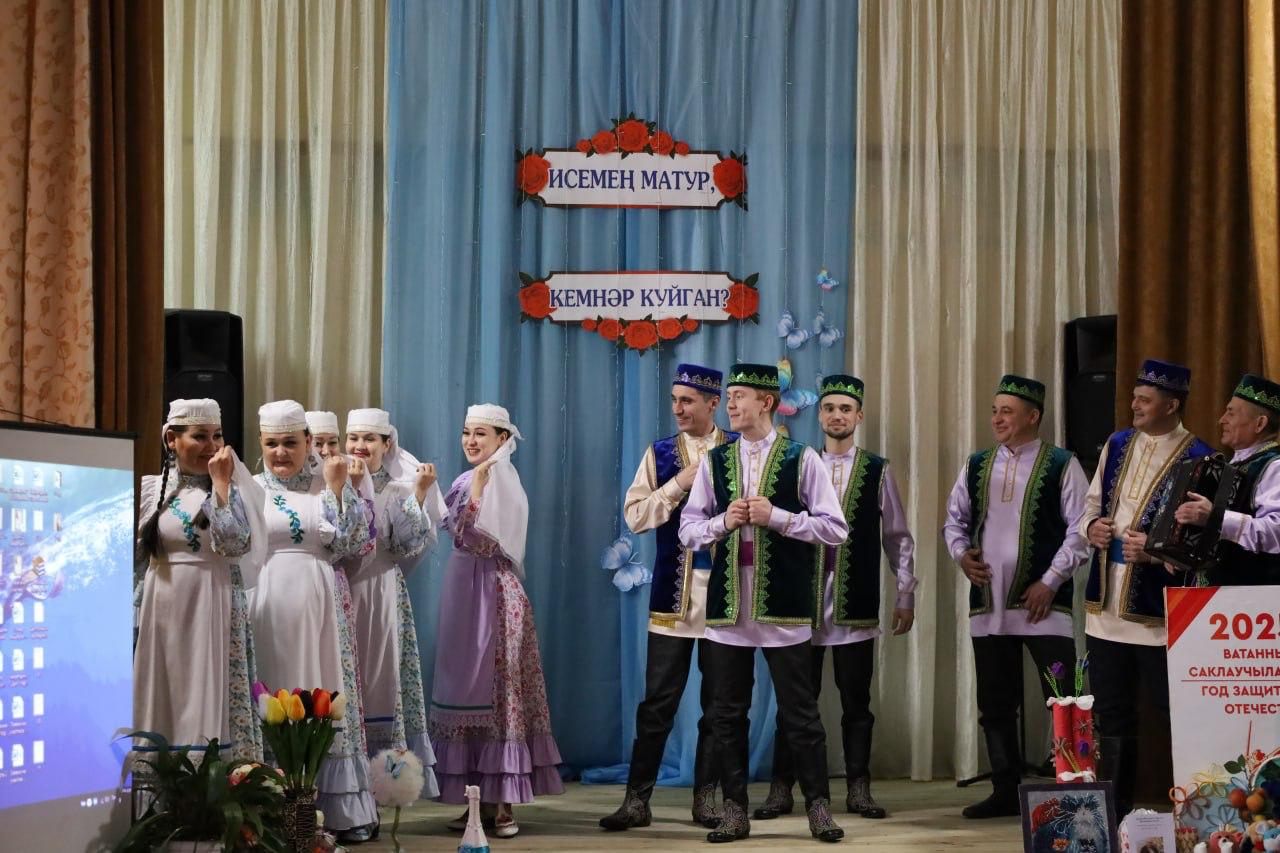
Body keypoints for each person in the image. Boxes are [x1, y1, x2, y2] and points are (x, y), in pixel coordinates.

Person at [680, 363, 849, 844]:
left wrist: (779, 518)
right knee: (726, 715)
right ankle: (735, 811)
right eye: (730, 396)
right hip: (728, 609)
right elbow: (689, 530)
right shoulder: (715, 463)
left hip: (784, 607)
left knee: (801, 714)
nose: (730, 404)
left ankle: (818, 808)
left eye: (739, 395)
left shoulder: (802, 458)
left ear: (767, 402)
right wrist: (722, 523)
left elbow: (835, 528)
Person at [754, 375, 916, 823]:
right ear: (819, 414)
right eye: (829, 408)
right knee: (794, 702)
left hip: (854, 603)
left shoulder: (877, 470)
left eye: (846, 409)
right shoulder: (798, 464)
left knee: (856, 702)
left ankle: (859, 787)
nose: (837, 416)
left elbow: (897, 537)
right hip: (800, 602)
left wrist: (906, 592)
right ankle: (782, 787)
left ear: (859, 416)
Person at [942, 375, 1090, 819]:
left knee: (1065, 699)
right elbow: (954, 521)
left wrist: (1051, 580)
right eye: (994, 410)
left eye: (1006, 411)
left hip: (1044, 607)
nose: (997, 419)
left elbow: (1081, 529)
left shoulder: (1062, 463)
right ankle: (1005, 790)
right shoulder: (977, 464)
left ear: (1033, 416)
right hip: (988, 605)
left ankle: (1075, 790)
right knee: (995, 704)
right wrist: (961, 555)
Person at [600, 364, 737, 832]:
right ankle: (637, 801)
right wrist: (681, 482)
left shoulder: (740, 451)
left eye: (687, 401)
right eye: (674, 399)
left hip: (725, 599)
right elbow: (636, 516)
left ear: (713, 403)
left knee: (720, 705)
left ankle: (707, 800)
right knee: (658, 702)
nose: (678, 409)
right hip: (673, 597)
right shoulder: (659, 453)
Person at [1079, 359, 1212, 815]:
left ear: (1171, 405)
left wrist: (1155, 553)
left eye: (1144, 400)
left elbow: (1204, 545)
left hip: (1158, 614)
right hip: (1104, 608)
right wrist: (1091, 528)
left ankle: (1196, 815)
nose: (1134, 405)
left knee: (1175, 711)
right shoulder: (1117, 443)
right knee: (1111, 713)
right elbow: (1090, 505)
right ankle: (1113, 814)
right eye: (1135, 397)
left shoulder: (1201, 458)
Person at [430, 404, 563, 839]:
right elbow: (447, 527)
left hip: (494, 594)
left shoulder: (503, 480)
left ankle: (502, 800)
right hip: (462, 592)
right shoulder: (466, 479)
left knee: (498, 691)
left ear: (502, 440)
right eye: (466, 432)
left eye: (481, 434)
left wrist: (476, 491)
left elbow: (478, 537)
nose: (470, 441)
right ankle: (476, 801)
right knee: (464, 688)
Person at [250, 400, 378, 842]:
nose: (281, 452)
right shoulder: (250, 488)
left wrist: (341, 491)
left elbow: (355, 544)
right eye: (272, 443)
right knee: (273, 692)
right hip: (266, 605)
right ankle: (270, 812)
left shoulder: (326, 483)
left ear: (308, 442)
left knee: (320, 691)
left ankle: (329, 814)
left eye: (290, 442)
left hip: (318, 602)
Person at [133, 399, 266, 767]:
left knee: (204, 693)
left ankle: (209, 786)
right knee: (163, 693)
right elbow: (138, 561)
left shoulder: (234, 491)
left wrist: (221, 484)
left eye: (216, 436)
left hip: (212, 603)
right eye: (200, 436)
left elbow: (234, 544)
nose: (211, 445)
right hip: (161, 609)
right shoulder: (151, 490)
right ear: (171, 440)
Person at [343, 407, 441, 799]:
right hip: (340, 589)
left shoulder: (398, 488)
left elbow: (405, 546)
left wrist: (418, 494)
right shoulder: (333, 481)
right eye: (354, 438)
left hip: (381, 590)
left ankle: (384, 788)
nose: (360, 446)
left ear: (387, 445)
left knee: (381, 681)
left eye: (369, 439)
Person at [1175, 373, 1280, 585]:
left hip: (1251, 598)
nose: (1221, 419)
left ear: (1260, 423)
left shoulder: (1274, 466)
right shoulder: (1230, 465)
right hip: (1216, 597)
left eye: (1231, 413)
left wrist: (1216, 518)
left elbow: (1276, 533)